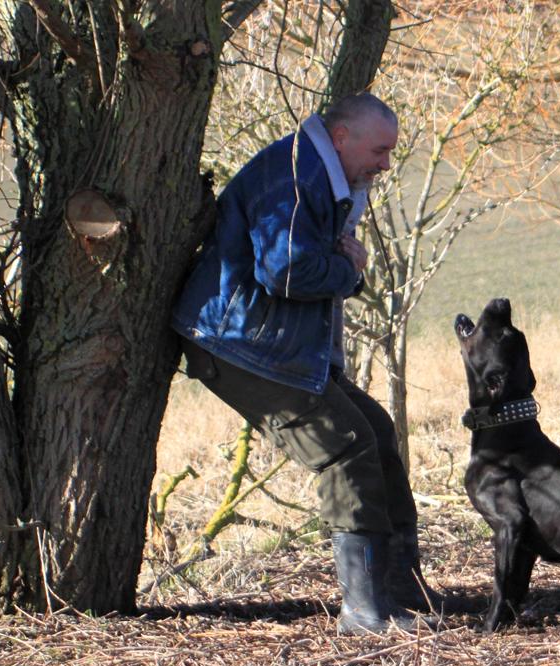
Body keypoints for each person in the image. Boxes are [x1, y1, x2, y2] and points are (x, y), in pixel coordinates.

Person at [171, 93, 448, 635]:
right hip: (239, 342)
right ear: (341, 138)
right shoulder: (296, 175)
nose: (386, 164)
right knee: (345, 445)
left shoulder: (318, 172)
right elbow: (288, 272)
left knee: (375, 428)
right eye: (380, 150)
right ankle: (366, 611)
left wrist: (343, 262)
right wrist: (349, 271)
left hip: (268, 341)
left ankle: (399, 588)